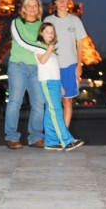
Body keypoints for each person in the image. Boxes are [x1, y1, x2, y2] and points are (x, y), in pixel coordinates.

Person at [34, 22, 85, 151]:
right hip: (47, 82)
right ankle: (67, 140)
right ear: (41, 33)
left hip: (56, 82)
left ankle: (50, 141)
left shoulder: (51, 49)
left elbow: (54, 68)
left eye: (52, 32)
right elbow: (43, 60)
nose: (50, 34)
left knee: (50, 112)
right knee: (56, 111)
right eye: (47, 32)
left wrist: (61, 85)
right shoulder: (39, 46)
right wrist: (50, 48)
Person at [5, 0, 45, 149]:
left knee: (39, 104)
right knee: (15, 102)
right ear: (24, 8)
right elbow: (23, 42)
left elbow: (52, 46)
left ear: (39, 8)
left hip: (36, 68)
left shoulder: (42, 26)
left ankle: (36, 136)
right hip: (18, 66)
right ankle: (11, 137)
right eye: (29, 5)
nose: (32, 8)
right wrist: (43, 47)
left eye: (35, 5)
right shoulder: (16, 23)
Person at [44, 0, 87, 127]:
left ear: (68, 1)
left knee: (67, 101)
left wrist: (79, 65)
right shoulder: (48, 21)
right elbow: (44, 44)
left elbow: (79, 44)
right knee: (55, 101)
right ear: (55, 3)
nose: (62, 1)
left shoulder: (75, 20)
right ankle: (55, 131)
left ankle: (64, 133)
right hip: (53, 66)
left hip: (69, 65)